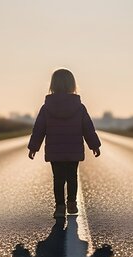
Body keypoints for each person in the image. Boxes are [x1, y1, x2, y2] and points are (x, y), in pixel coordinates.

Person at [27, 68, 101, 218]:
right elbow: (88, 128)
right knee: (72, 176)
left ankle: (60, 207)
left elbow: (39, 129)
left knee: (58, 178)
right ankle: (72, 203)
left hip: (55, 150)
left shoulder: (46, 108)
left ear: (52, 85)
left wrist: (33, 147)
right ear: (73, 85)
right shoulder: (79, 107)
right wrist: (94, 145)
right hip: (73, 149)